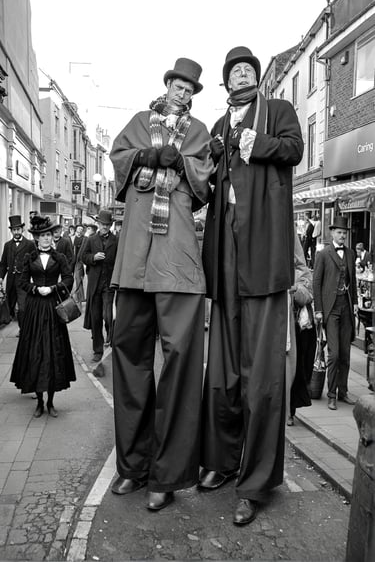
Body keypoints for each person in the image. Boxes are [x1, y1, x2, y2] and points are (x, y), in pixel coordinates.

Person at [199, 46, 304, 526]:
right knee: (223, 374)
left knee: (262, 379)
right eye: (234, 69)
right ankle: (223, 461)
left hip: (262, 260)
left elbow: (294, 149)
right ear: (225, 83)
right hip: (225, 263)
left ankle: (256, 482)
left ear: (257, 78)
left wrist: (251, 142)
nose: (242, 72)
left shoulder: (277, 111)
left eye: (248, 68)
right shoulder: (217, 125)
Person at [109, 57, 213, 511]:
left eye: (191, 89)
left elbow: (204, 181)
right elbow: (118, 158)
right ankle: (133, 467)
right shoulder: (136, 122)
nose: (184, 93)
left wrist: (182, 164)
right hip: (134, 260)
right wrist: (145, 156)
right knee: (130, 363)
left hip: (178, 262)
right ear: (167, 84)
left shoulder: (198, 133)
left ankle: (167, 476)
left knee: (180, 370)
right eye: (179, 85)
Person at [10, 215, 76, 417]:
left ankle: (51, 403)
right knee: (36, 351)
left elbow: (68, 278)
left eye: (49, 235)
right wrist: (36, 289)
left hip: (53, 307)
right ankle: (39, 402)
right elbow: (21, 281)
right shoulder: (29, 257)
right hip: (35, 308)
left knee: (54, 351)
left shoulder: (59, 258)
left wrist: (54, 288)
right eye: (43, 235)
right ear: (37, 238)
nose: (47, 238)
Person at [313, 215, 358, 410]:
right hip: (330, 309)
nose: (342, 236)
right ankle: (331, 394)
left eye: (344, 233)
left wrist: (355, 302)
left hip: (346, 307)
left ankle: (343, 391)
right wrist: (318, 310)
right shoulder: (323, 254)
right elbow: (316, 283)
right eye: (339, 232)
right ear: (332, 232)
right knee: (334, 354)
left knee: (346, 353)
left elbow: (353, 280)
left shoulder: (350, 254)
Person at [286, 234, 315, 427]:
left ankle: (289, 411)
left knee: (295, 370)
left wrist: (294, 289)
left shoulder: (300, 272)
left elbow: (307, 295)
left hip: (296, 328)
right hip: (278, 325)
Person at [81, 210, 118, 362]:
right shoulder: (91, 239)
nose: (105, 227)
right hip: (94, 285)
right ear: (98, 224)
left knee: (108, 316)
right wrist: (93, 258)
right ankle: (97, 349)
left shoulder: (116, 240)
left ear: (110, 225)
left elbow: (119, 260)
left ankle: (110, 339)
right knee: (96, 318)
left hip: (109, 284)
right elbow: (82, 257)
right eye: (103, 224)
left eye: (108, 225)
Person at [0, 215, 36, 329]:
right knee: (9, 306)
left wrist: (34, 278)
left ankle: (24, 330)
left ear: (22, 230)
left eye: (18, 229)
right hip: (11, 281)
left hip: (23, 281)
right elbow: (3, 264)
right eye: (14, 230)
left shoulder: (29, 244)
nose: (16, 232)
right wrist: (0, 277)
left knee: (22, 307)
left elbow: (35, 262)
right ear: (11, 231)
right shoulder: (7, 245)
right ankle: (8, 320)